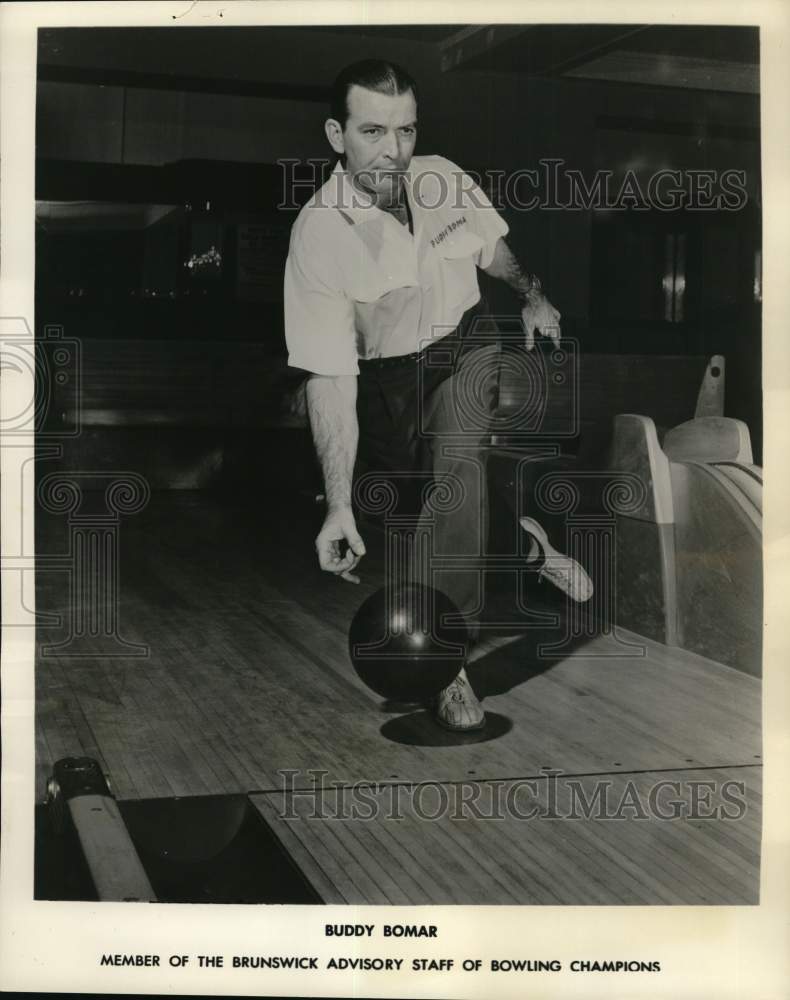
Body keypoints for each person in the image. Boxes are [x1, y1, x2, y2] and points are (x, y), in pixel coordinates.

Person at [284, 59, 591, 731]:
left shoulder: (442, 178)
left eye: (405, 130)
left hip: (465, 346)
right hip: (385, 377)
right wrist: (337, 505)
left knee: (457, 475)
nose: (393, 151)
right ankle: (530, 547)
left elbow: (494, 253)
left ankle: (448, 661)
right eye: (372, 132)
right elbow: (330, 377)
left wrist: (535, 297)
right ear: (337, 135)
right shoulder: (318, 236)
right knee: (422, 505)